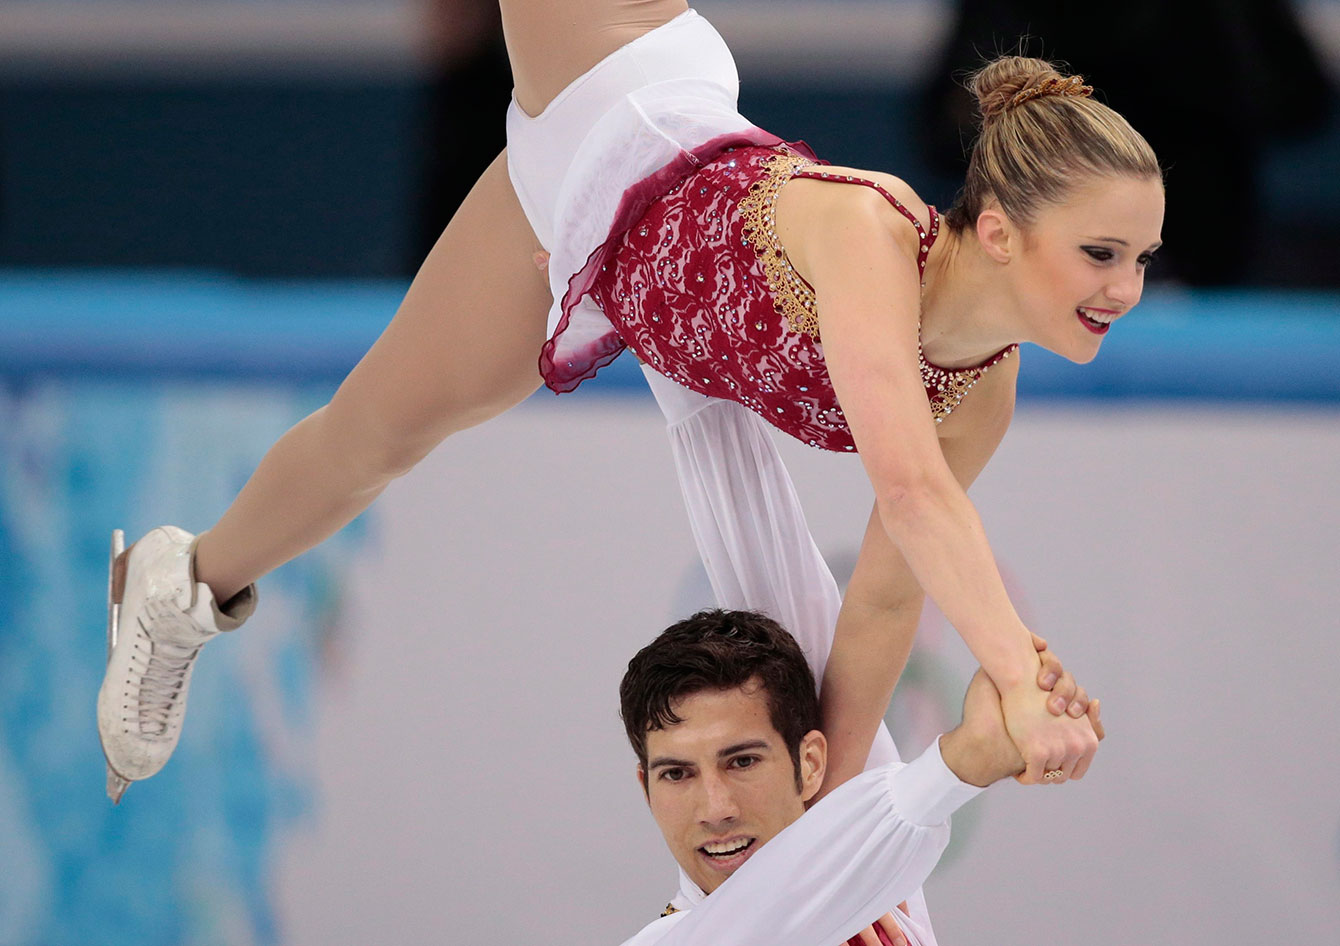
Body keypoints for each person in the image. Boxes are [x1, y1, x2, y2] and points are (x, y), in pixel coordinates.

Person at [99, 0, 1148, 799]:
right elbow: (913, 492)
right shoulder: (871, 231)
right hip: (618, 68)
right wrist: (1014, 672)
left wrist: (822, 810)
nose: (1124, 289)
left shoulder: (982, 392)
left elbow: (880, 596)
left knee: (371, 438)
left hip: (582, 223)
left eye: (1140, 257)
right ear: (1002, 230)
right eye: (1099, 253)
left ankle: (174, 585)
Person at [616, 609, 1101, 946]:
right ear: (646, 790)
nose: (716, 807)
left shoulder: (867, 879)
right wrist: (971, 755)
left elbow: (885, 601)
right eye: (677, 774)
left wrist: (1018, 674)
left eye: (742, 762)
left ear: (808, 765)